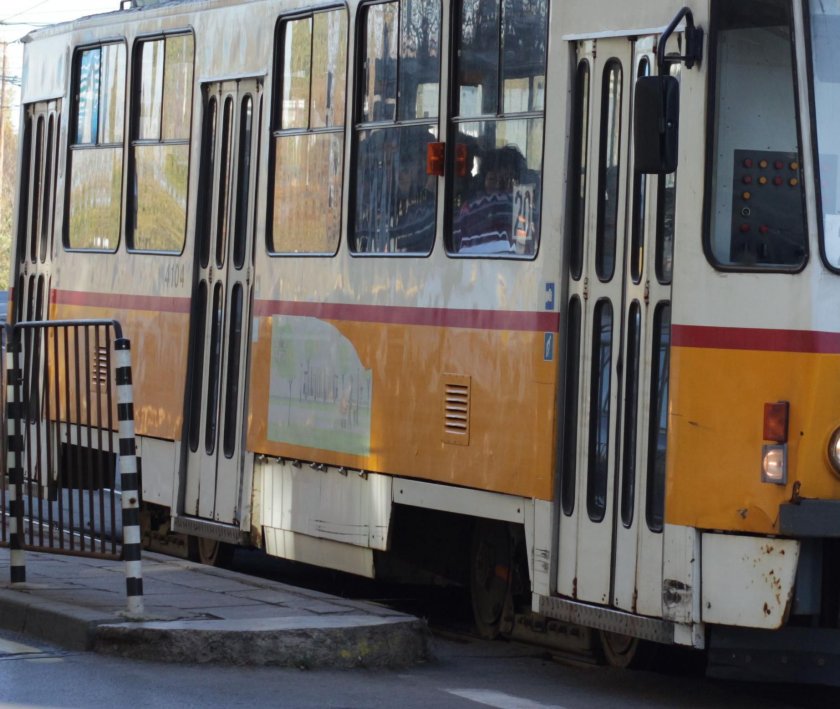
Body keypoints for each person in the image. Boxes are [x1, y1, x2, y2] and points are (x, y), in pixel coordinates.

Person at [453, 145, 527, 254]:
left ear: (517, 182)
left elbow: (523, 246)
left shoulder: (521, 207)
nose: (498, 185)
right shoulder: (469, 209)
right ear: (483, 180)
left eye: (507, 180)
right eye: (492, 179)